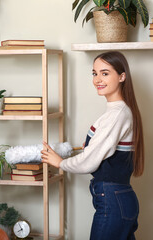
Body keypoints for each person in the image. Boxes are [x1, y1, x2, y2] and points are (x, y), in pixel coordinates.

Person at [41, 51, 144, 240]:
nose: (98, 79)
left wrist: (60, 163)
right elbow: (103, 151)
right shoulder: (118, 111)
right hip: (120, 199)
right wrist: (91, 146)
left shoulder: (117, 114)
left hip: (113, 200)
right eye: (94, 73)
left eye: (105, 73)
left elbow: (89, 162)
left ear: (122, 76)